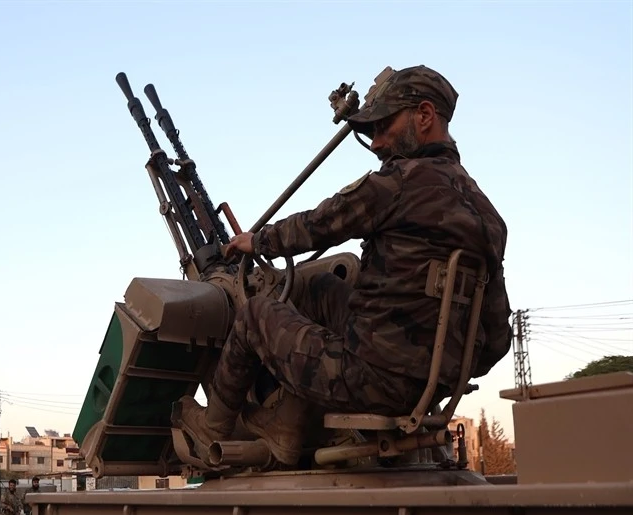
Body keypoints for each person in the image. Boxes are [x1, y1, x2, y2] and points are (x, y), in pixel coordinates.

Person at [174, 65, 513, 466]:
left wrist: (257, 241)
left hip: (366, 380)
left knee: (254, 315)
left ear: (424, 116)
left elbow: (321, 224)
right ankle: (288, 422)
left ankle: (213, 426)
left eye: (384, 126)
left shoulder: (399, 183)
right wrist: (429, 368)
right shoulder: (487, 216)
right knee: (316, 289)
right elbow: (496, 341)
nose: (377, 143)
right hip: (430, 388)